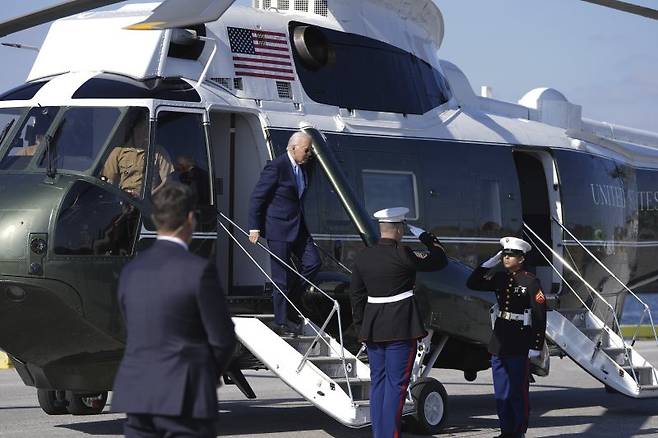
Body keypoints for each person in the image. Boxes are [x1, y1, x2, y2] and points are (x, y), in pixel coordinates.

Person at [111, 183, 236, 438]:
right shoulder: (199, 271)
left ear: (156, 219)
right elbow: (222, 339)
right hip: (185, 394)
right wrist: (205, 375)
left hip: (137, 392)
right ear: (190, 219)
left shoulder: (131, 271)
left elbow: (130, 326)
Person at [349, 207, 448, 438]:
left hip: (373, 329)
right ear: (400, 229)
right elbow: (439, 260)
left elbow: (356, 296)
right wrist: (428, 238)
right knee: (396, 387)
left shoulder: (363, 256)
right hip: (400, 328)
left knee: (379, 385)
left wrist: (361, 328)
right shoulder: (403, 253)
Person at [466, 237, 547, 438]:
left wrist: (535, 345)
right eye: (504, 255)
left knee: (518, 392)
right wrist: (488, 264)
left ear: (521, 258)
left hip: (520, 341)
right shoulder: (500, 278)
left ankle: (518, 432)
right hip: (500, 341)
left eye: (510, 255)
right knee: (502, 392)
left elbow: (539, 315)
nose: (506, 258)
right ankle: (506, 432)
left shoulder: (530, 281)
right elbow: (473, 283)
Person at [248, 131, 321, 336]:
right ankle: (281, 321)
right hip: (277, 228)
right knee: (281, 275)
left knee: (314, 263)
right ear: (293, 148)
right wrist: (254, 227)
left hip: (299, 228)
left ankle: (291, 301)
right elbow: (257, 198)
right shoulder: (276, 167)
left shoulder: (305, 167)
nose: (309, 153)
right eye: (306, 150)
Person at [102, 117, 173, 197]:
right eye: (142, 127)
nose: (145, 131)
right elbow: (108, 183)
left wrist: (147, 197)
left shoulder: (159, 152)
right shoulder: (117, 152)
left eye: (148, 127)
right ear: (134, 129)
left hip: (147, 203)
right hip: (123, 202)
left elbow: (167, 182)